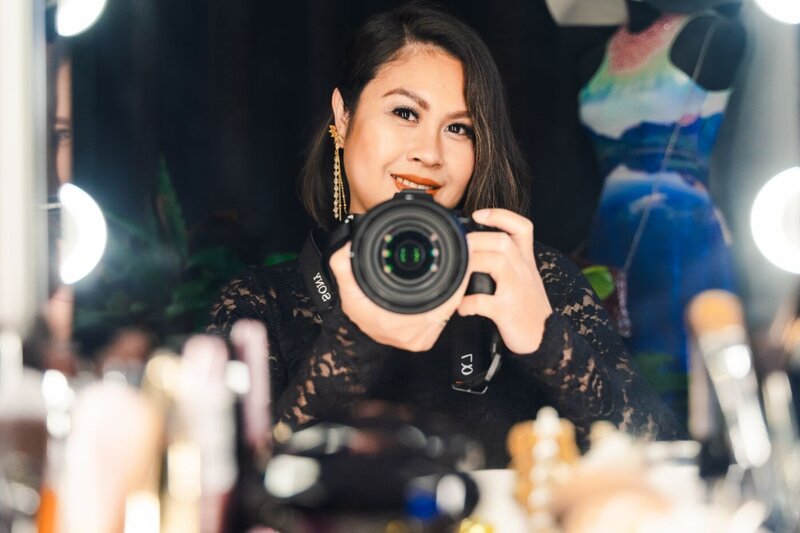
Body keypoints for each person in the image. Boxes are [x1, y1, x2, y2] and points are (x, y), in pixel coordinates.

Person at [208, 2, 682, 467]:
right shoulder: (259, 304)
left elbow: (668, 465)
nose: (430, 153)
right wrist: (352, 343)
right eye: (405, 114)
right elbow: (223, 493)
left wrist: (545, 340)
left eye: (458, 128)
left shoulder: (529, 279)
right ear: (343, 115)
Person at [572, 0, 746, 422]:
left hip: (682, 237)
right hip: (611, 236)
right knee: (619, 378)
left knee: (689, 384)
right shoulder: (593, 58)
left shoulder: (709, 34)